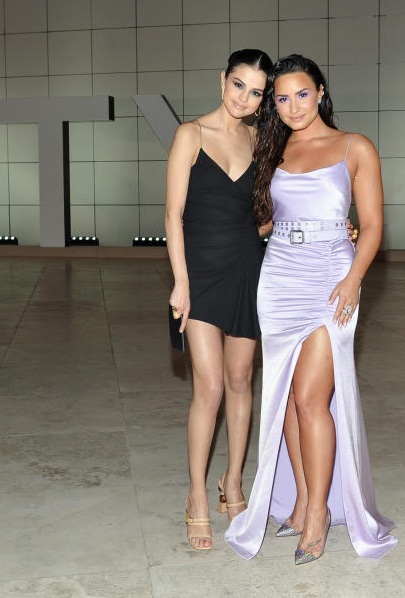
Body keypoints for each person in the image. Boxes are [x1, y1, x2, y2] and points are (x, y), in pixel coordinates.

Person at [225, 54, 397, 564]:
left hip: (331, 279)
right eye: (281, 98)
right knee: (284, 399)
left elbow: (372, 225)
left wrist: (354, 278)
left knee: (309, 399)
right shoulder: (271, 150)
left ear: (321, 92)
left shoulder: (355, 147)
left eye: (302, 93)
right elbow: (260, 223)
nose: (293, 105)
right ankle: (301, 501)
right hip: (278, 276)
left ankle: (319, 513)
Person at [165, 49, 273, 550]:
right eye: (238, 85)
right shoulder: (190, 134)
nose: (245, 98)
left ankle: (232, 482)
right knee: (207, 386)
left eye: (255, 92)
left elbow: (263, 219)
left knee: (239, 380)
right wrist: (180, 282)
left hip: (247, 268)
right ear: (222, 80)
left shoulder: (260, 139)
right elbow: (173, 215)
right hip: (201, 276)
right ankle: (196, 496)